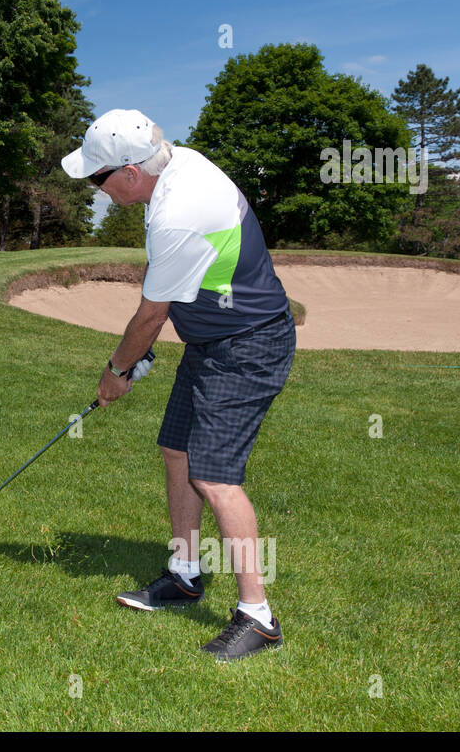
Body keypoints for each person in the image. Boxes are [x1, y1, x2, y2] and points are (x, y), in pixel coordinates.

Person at [61, 109, 295, 661]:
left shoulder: (176, 213)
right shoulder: (179, 165)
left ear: (131, 173)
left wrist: (116, 372)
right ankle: (186, 574)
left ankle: (258, 618)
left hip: (249, 344)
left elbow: (150, 313)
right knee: (176, 452)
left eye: (99, 180)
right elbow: (183, 291)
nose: (98, 191)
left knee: (216, 478)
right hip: (213, 341)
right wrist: (139, 358)